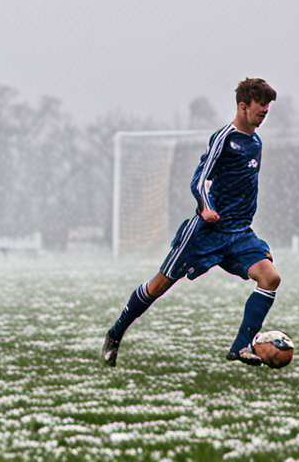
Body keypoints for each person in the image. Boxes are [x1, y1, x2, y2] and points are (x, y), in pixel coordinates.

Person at [103, 78, 279, 367]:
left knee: (271, 278)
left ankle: (240, 347)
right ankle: (115, 334)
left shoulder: (256, 141)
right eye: (260, 106)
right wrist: (206, 207)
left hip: (239, 234)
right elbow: (199, 180)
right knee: (158, 286)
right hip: (205, 232)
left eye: (268, 107)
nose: (265, 111)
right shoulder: (223, 138)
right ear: (242, 105)